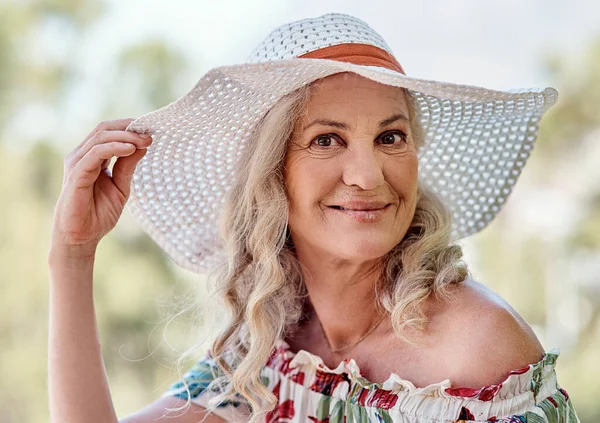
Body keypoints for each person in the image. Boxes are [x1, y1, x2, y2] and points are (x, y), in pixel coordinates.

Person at [48, 13, 581, 423]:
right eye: (327, 139)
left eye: (390, 137)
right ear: (271, 174)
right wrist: (72, 257)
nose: (368, 175)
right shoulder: (273, 348)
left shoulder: (477, 348)